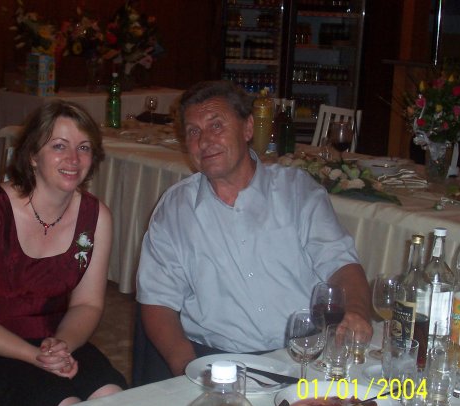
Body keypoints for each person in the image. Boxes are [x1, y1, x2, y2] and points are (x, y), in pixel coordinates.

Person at [136, 80, 373, 379]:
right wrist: (186, 369)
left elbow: (342, 266)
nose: (204, 141)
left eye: (216, 125)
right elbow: (158, 302)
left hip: (303, 356)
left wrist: (356, 311)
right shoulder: (174, 210)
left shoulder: (297, 192)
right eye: (193, 132)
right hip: (217, 361)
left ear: (248, 128)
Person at [0, 100, 126, 406]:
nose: (73, 158)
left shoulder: (97, 217)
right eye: (59, 146)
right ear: (32, 156)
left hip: (55, 338)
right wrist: (33, 355)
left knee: (112, 397)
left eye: (84, 147)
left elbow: (88, 304)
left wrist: (61, 345)